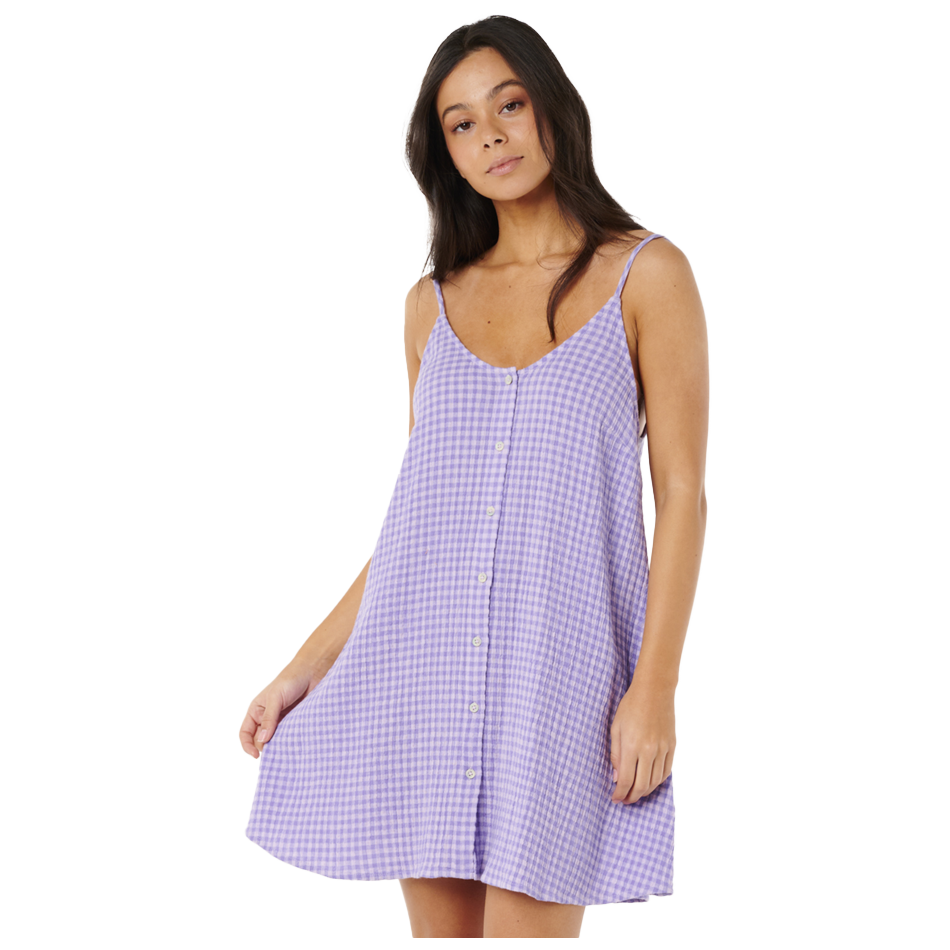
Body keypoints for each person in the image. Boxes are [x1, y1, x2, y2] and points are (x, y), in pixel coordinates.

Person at [239, 14, 708, 939]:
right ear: (445, 153)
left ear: (552, 109)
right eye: (461, 123)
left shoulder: (647, 275)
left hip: (557, 685)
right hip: (426, 680)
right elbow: (418, 528)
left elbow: (684, 495)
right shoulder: (430, 307)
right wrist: (300, 670)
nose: (490, 135)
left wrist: (655, 687)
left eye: (509, 105)